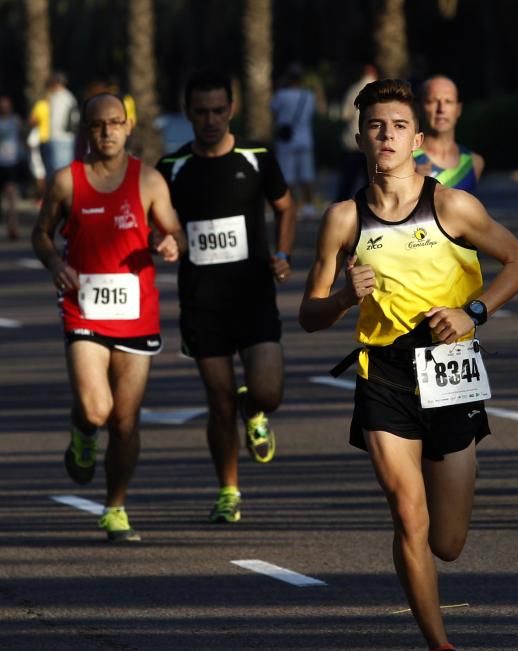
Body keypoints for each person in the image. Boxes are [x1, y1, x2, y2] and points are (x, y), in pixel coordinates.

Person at [299, 79, 518, 651]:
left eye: (398, 126)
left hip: (451, 369)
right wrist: (345, 296)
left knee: (447, 541)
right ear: (359, 138)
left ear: (418, 139)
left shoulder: (452, 206)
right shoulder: (344, 219)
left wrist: (474, 314)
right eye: (375, 126)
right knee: (409, 515)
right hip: (385, 375)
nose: (386, 136)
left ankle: (430, 578)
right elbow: (308, 313)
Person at [31, 93, 185, 542]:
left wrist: (172, 243)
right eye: (99, 125)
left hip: (137, 314)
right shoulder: (66, 181)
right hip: (83, 308)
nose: (107, 132)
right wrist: (56, 265)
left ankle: (115, 506)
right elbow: (42, 234)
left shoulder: (149, 181)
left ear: (128, 126)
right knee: (98, 409)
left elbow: (173, 230)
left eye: (115, 123)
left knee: (125, 421)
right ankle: (82, 429)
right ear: (86, 130)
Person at [157, 69, 296, 525]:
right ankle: (228, 491)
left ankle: (253, 410)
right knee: (217, 402)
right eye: (201, 112)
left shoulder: (257, 157)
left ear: (231, 108)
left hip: (254, 297)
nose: (211, 120)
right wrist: (166, 240)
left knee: (268, 392)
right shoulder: (172, 168)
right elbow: (158, 223)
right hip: (202, 303)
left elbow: (285, 206)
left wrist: (281, 252)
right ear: (188, 114)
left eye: (219, 110)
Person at [414, 75, 484, 193]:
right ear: (419, 108)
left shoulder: (474, 162)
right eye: (432, 101)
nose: (441, 109)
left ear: (458, 109)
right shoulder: (406, 159)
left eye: (448, 101)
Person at [270, 64, 317, 218]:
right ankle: (309, 208)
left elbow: (274, 113)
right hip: (305, 139)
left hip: (286, 141)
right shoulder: (308, 95)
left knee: (287, 177)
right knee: (307, 175)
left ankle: (290, 207)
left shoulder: (281, 95)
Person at [334, 64, 378, 202]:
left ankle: (340, 206)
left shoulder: (354, 89)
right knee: (372, 181)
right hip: (373, 143)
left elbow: (345, 114)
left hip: (354, 142)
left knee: (348, 181)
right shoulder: (380, 89)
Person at [29, 72, 79, 179]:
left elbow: (57, 122)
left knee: (59, 172)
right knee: (56, 171)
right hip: (62, 139)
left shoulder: (60, 97)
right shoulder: (67, 97)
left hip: (60, 139)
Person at [0, 95, 23, 240]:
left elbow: (24, 136)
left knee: (11, 196)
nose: (4, 107)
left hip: (11, 163)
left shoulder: (16, 121)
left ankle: (12, 227)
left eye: (6, 105)